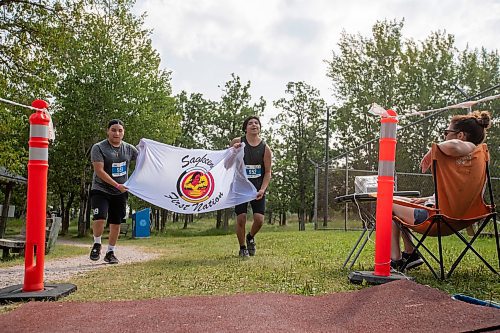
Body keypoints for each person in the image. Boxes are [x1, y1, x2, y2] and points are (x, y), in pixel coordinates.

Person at [391, 110, 491, 271]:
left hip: (438, 219)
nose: (445, 136)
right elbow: (457, 194)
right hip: (463, 217)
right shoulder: (478, 157)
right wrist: (426, 199)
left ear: (460, 135)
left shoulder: (467, 147)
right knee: (400, 201)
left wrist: (433, 150)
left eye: (446, 132)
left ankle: (395, 261)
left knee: (386, 203)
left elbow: (456, 146)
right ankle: (410, 254)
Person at [89, 119, 138, 264]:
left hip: (120, 192)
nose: (116, 133)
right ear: (108, 131)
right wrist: (117, 185)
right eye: (113, 130)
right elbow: (99, 171)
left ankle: (110, 252)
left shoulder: (129, 149)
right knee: (100, 218)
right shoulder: (98, 148)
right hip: (101, 189)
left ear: (123, 133)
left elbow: (145, 160)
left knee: (116, 222)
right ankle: (97, 243)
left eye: (120, 130)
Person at [230, 116, 272, 257]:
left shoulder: (265, 148)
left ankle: (250, 237)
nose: (254, 125)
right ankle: (242, 248)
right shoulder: (237, 142)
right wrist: (233, 152)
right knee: (241, 218)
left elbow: (268, 172)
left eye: (256, 123)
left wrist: (262, 189)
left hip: (257, 188)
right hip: (240, 187)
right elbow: (226, 165)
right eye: (250, 123)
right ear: (245, 128)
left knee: (259, 220)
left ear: (259, 127)